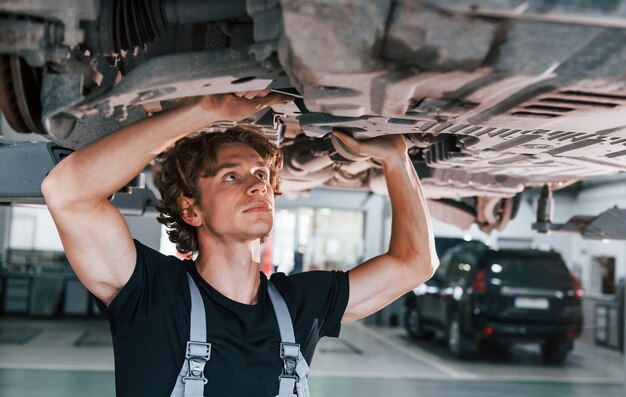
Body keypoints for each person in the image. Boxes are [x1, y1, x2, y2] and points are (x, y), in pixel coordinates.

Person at [41, 90, 439, 396]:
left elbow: (416, 263)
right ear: (191, 209)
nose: (256, 185)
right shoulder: (152, 294)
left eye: (262, 175)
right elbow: (67, 192)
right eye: (232, 177)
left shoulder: (299, 304)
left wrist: (397, 159)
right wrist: (206, 110)